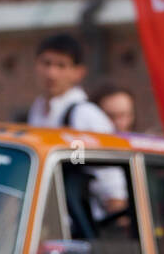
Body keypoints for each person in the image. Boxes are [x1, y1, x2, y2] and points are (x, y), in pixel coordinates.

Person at [26, 33, 127, 216]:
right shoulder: (37, 111)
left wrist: (115, 222)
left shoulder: (85, 115)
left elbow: (110, 176)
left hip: (83, 222)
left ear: (78, 73)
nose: (52, 73)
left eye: (61, 66)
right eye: (46, 63)